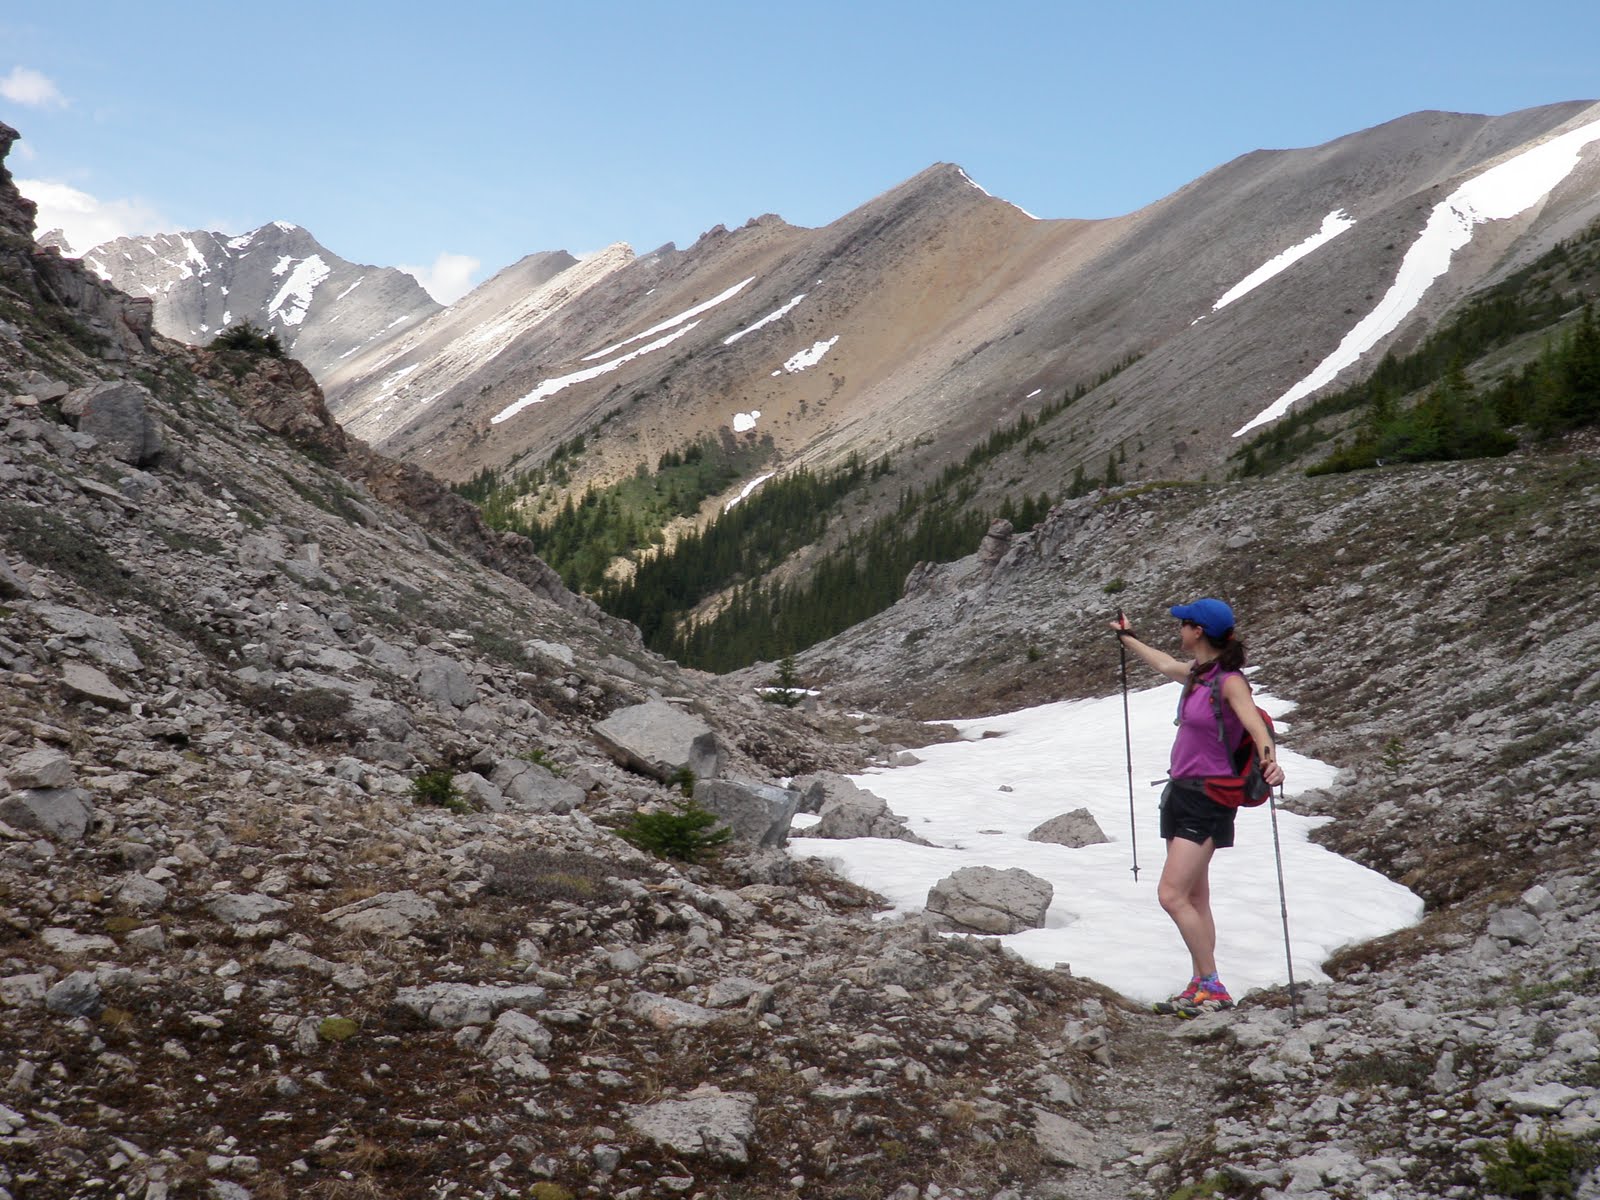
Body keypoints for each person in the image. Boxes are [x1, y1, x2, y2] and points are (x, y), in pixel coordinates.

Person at [1110, 598, 1284, 1015]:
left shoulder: (1229, 682)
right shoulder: (1197, 674)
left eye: (1184, 625)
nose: (1179, 630)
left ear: (1199, 631)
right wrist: (1127, 638)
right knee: (1195, 896)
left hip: (1209, 798)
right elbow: (1164, 664)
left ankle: (1213, 985)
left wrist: (1270, 759)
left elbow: (1255, 724)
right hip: (1183, 792)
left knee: (1171, 895)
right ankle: (1199, 984)